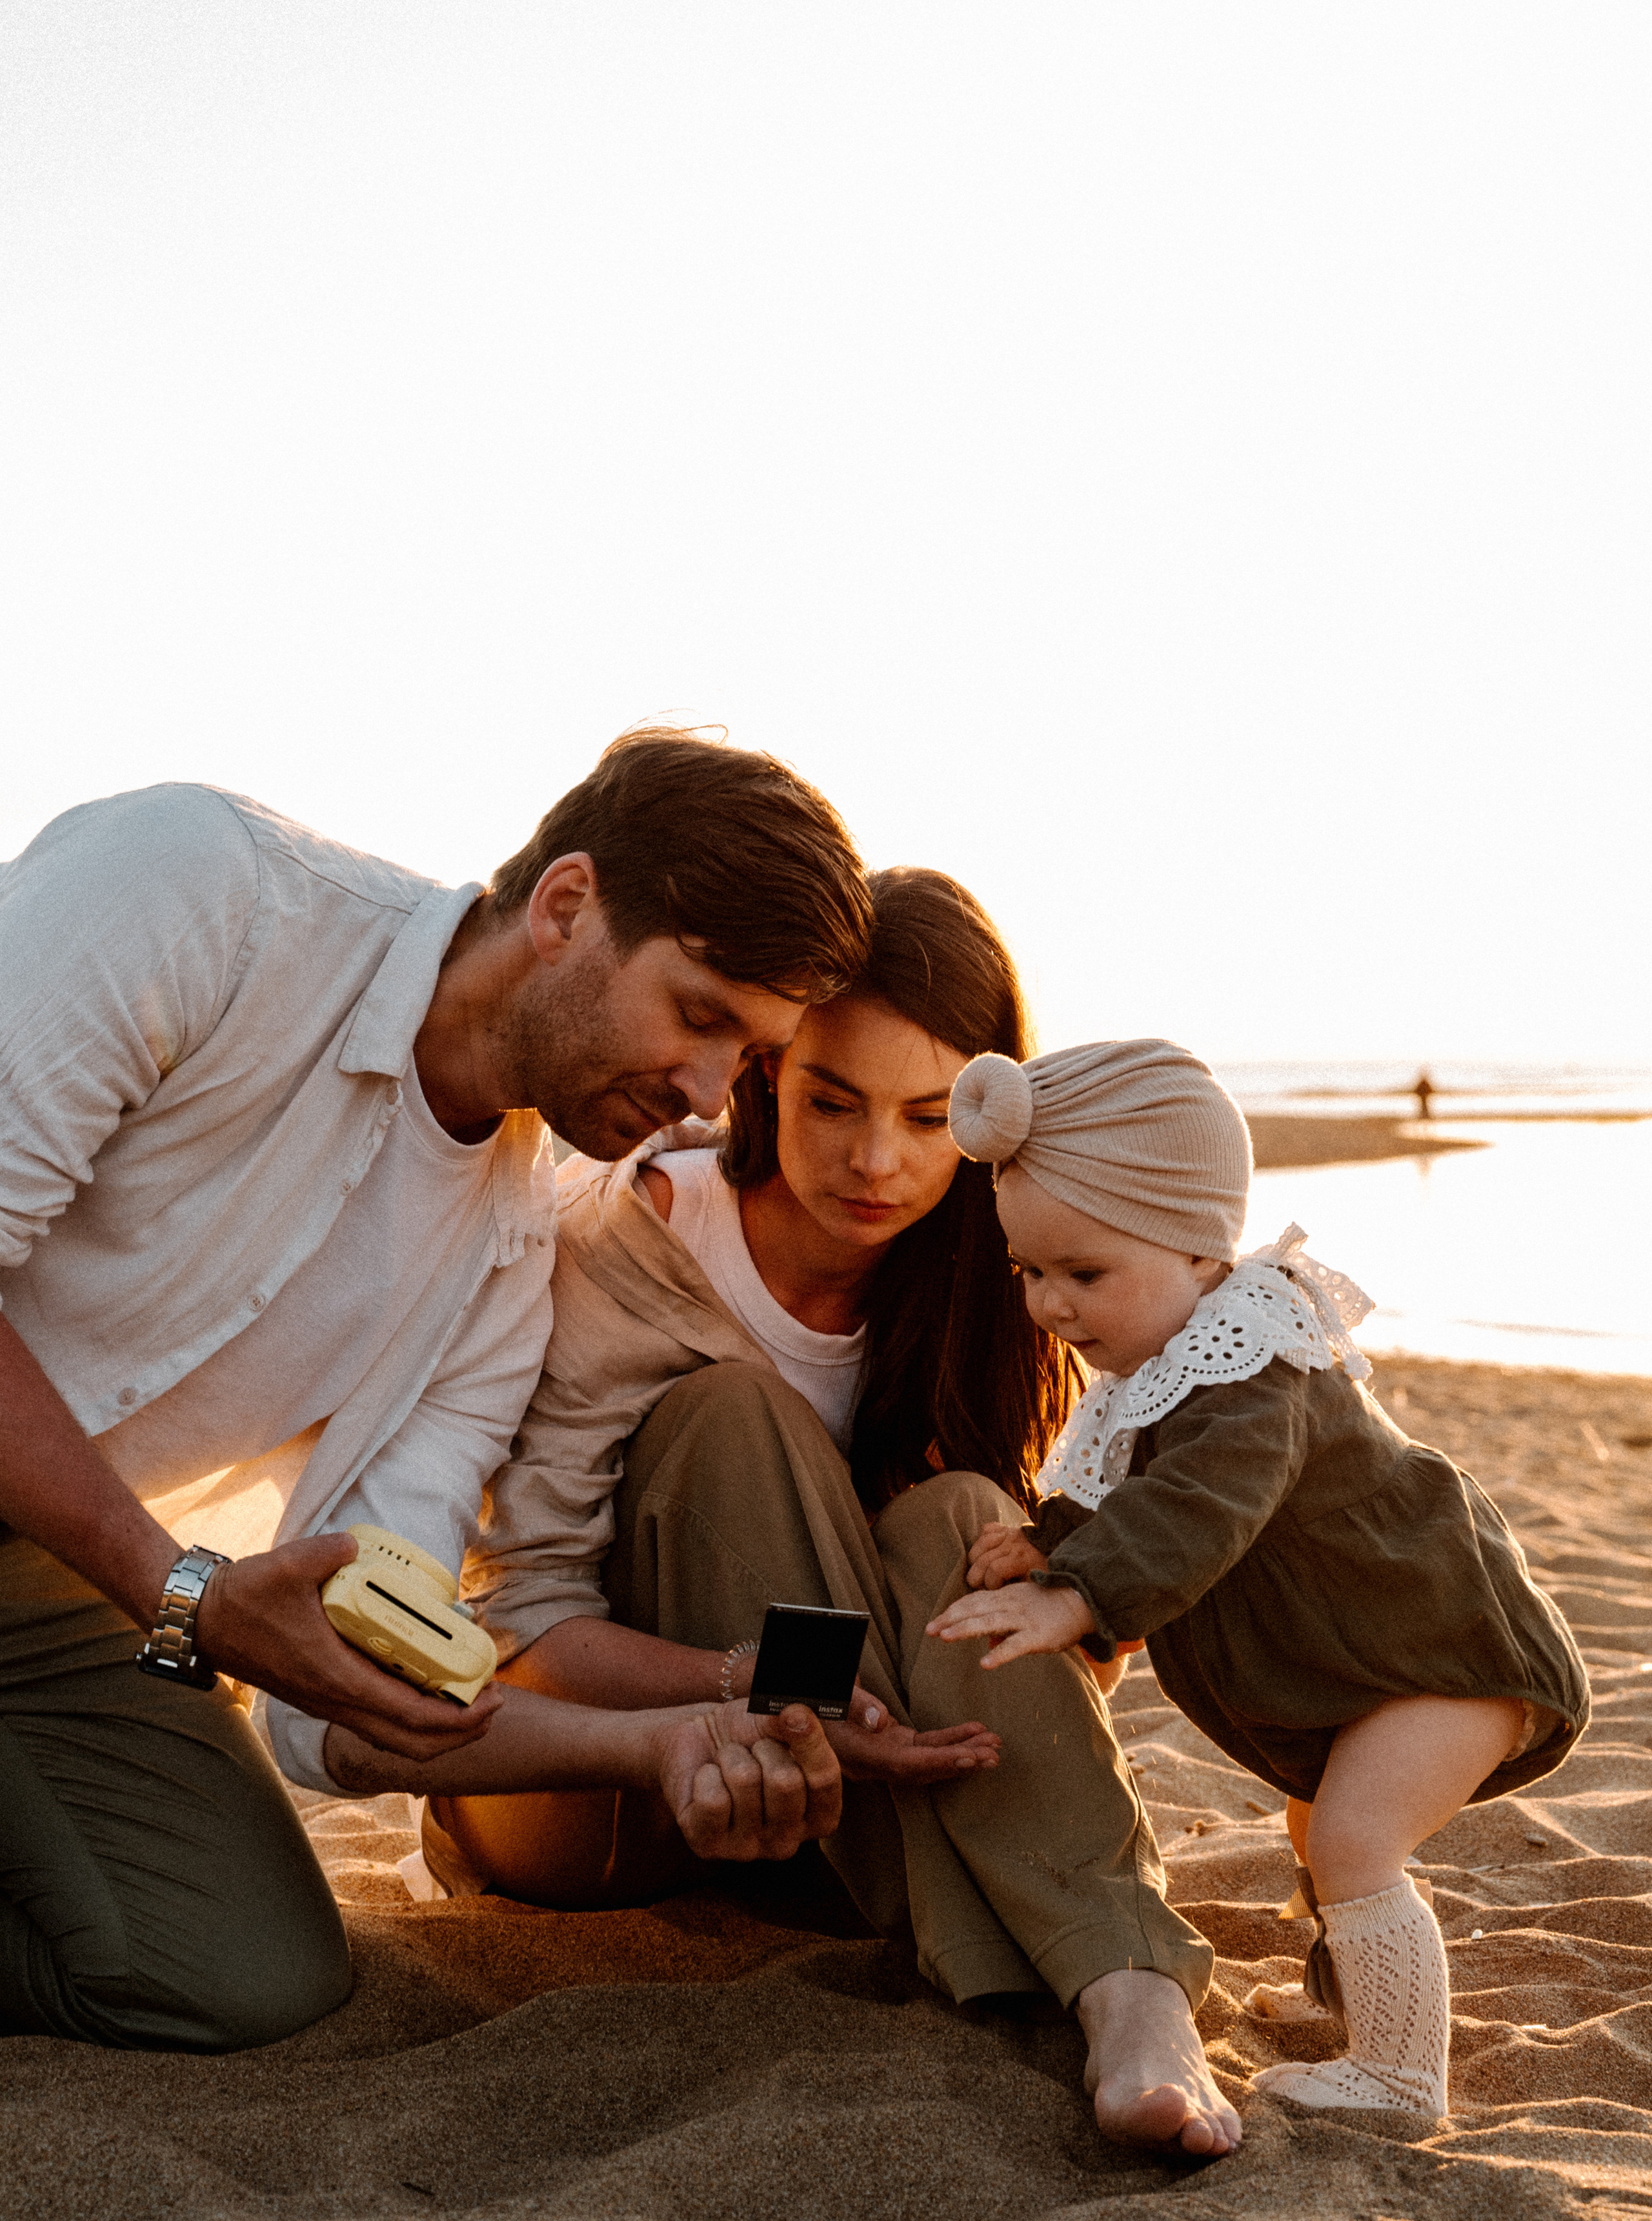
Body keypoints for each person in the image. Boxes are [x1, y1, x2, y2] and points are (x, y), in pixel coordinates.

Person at [0, 729, 872, 2051]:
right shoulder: (202, 889)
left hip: (38, 1567)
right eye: (699, 1015)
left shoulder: (507, 1262)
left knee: (242, 1971)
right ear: (566, 908)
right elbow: (186, 1593)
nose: (704, 1095)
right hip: (109, 1555)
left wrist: (659, 1741)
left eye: (744, 1058)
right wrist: (179, 1587)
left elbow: (345, 1686)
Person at [442, 871, 1244, 2158]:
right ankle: (1061, 1939)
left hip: (823, 1822)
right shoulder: (637, 1237)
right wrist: (742, 1684)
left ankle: (1129, 1987)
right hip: (595, 1790)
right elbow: (525, 1622)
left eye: (928, 1117)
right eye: (831, 1099)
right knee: (730, 1419)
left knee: (966, 1513)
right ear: (761, 1069)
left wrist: (1080, 1602)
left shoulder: (989, 1284)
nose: (876, 1160)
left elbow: (1037, 1621)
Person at [929, 1039, 1591, 2122]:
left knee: (1352, 1838)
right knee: (1316, 1830)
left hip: (1449, 1653)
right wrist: (1055, 1535)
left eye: (1084, 1273)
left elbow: (1202, 1498)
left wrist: (1077, 1592)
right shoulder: (1170, 1366)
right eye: (1031, 1273)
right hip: (1374, 1658)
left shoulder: (1254, 1364)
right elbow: (1137, 1475)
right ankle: (1360, 2004)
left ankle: (1400, 2073)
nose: (1052, 1304)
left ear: (1199, 1253)